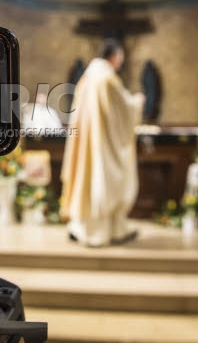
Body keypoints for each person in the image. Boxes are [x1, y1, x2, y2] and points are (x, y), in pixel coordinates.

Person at [60, 39, 145, 247]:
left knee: (85, 180)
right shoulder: (107, 79)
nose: (120, 64)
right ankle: (101, 233)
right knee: (101, 180)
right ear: (115, 57)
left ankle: (79, 228)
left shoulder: (87, 77)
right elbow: (124, 109)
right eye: (120, 60)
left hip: (84, 142)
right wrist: (137, 102)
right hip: (102, 146)